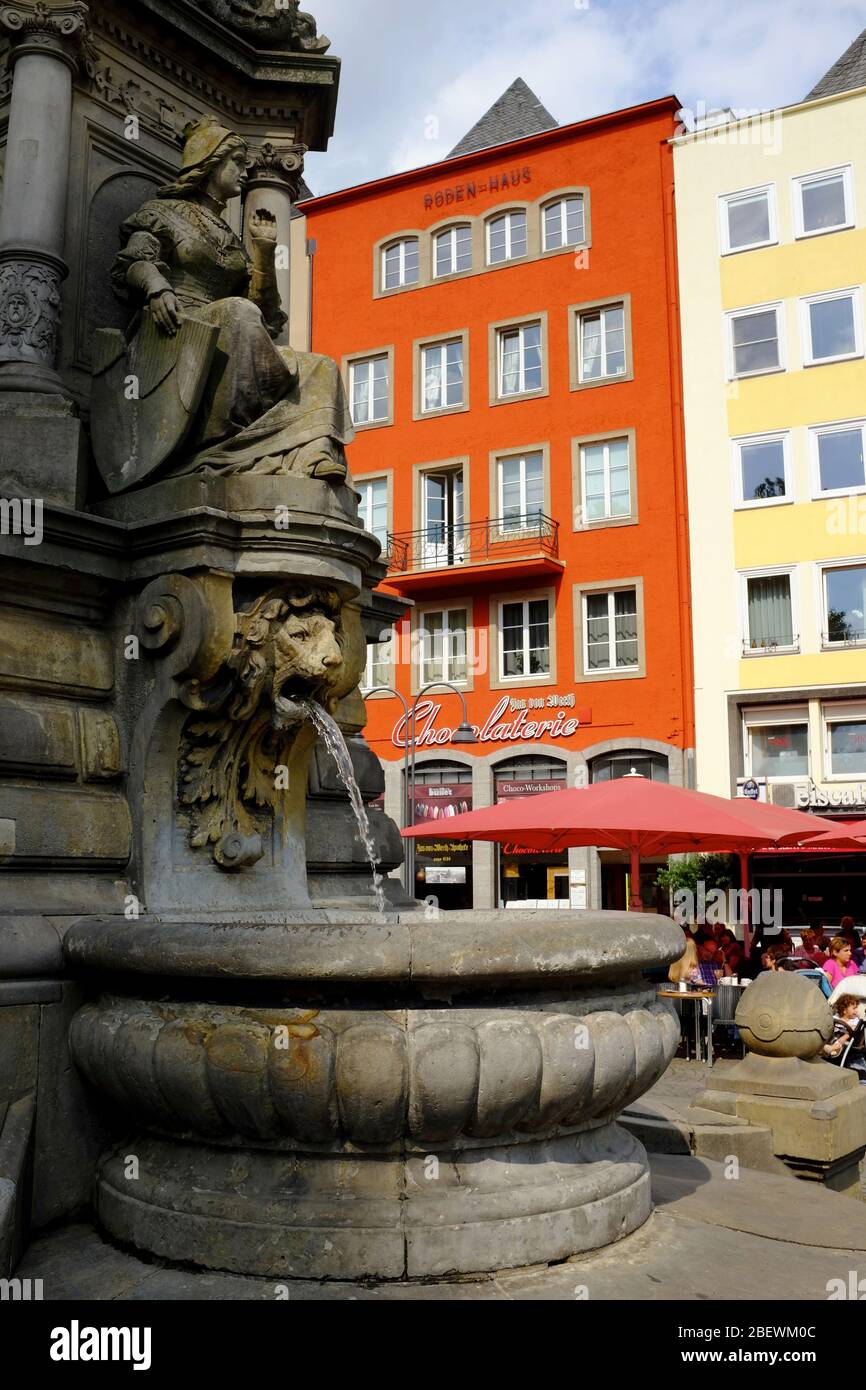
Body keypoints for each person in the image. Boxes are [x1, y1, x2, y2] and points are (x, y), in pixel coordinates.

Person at [110, 117, 354, 483]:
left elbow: (267, 316)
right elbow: (134, 260)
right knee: (237, 312)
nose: (243, 172)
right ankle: (224, 434)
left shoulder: (231, 238)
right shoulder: (163, 213)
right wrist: (157, 287)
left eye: (244, 163)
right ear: (209, 163)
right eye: (236, 162)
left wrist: (264, 252)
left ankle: (310, 454)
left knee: (322, 366)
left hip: (229, 335)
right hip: (175, 330)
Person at [822, 994, 866, 1081]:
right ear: (844, 1010)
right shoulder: (836, 1017)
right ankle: (825, 1049)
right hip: (833, 1037)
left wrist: (845, 1036)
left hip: (847, 1041)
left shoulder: (855, 1020)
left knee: (840, 1043)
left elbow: (854, 1031)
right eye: (854, 1008)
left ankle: (831, 1049)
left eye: (856, 1008)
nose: (856, 1011)